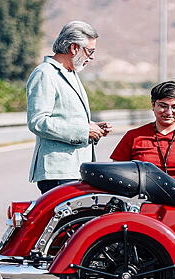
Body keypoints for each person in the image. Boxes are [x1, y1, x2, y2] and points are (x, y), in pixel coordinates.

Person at [27, 21, 113, 194]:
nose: (92, 57)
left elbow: (66, 117)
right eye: (90, 51)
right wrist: (83, 130)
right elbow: (37, 122)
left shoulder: (70, 73)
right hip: (58, 171)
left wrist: (93, 127)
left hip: (75, 169)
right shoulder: (45, 73)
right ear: (74, 48)